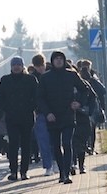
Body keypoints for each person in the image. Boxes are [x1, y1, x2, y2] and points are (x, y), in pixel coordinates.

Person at [36, 51, 95, 184]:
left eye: (60, 58)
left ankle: (67, 173)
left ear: (63, 60)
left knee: (67, 143)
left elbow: (84, 89)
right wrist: (47, 113)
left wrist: (79, 102)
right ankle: (62, 172)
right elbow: (40, 98)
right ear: (52, 61)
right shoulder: (45, 78)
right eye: (56, 59)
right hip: (52, 116)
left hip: (68, 114)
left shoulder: (71, 75)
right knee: (56, 145)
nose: (58, 61)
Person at [0, 56, 38, 181]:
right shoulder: (5, 80)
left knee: (26, 145)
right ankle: (13, 171)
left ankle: (24, 171)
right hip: (12, 117)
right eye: (14, 65)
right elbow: (0, 98)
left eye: (18, 65)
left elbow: (37, 96)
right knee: (13, 145)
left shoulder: (30, 79)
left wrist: (30, 108)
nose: (16, 67)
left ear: (22, 66)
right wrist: (7, 109)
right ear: (11, 66)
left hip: (27, 117)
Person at [29, 54, 54, 176]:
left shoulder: (52, 73)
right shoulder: (32, 78)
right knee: (43, 140)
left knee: (55, 140)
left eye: (41, 66)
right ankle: (48, 166)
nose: (40, 68)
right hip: (40, 113)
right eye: (37, 66)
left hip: (55, 111)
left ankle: (56, 162)